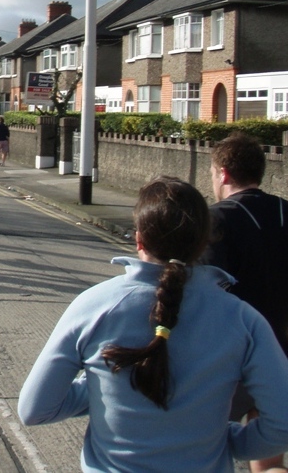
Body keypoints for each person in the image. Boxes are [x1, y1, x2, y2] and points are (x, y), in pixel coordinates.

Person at [18, 176, 288, 473]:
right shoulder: (243, 320)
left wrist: (102, 387)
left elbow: (35, 409)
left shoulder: (94, 306)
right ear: (205, 241)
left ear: (138, 240)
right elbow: (282, 423)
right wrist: (227, 443)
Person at [205, 132, 288, 473]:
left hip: (231, 359)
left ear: (222, 173)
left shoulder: (216, 219)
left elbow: (205, 294)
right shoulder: (285, 210)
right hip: (281, 358)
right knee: (270, 462)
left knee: (202, 451)